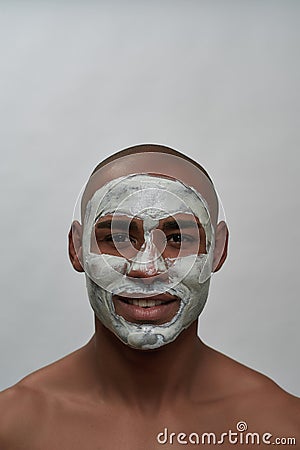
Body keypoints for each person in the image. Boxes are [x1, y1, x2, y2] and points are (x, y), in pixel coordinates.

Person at [0, 144, 299, 449]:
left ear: (218, 250)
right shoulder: (11, 426)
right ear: (76, 249)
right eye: (117, 238)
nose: (147, 268)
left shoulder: (283, 428)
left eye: (178, 238)